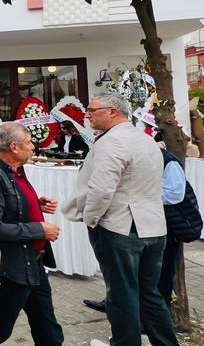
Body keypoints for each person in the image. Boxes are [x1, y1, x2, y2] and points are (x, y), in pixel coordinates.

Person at [60, 93, 180, 346]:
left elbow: (101, 189)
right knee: (150, 294)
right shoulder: (145, 140)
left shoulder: (112, 142)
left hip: (121, 226)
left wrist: (91, 219)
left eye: (92, 110)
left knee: (122, 294)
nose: (87, 115)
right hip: (153, 226)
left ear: (113, 111)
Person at [0, 122, 64, 346]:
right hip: (11, 269)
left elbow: (12, 207)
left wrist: (36, 204)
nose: (33, 147)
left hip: (34, 265)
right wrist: (39, 229)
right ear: (14, 147)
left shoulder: (16, 171)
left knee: (49, 331)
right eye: (29, 142)